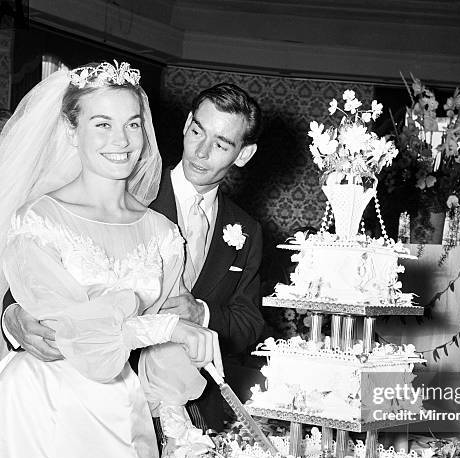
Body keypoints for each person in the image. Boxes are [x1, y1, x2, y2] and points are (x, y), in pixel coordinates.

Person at [0, 61, 219, 458]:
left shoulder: (164, 233)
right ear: (72, 130)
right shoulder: (39, 219)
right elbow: (82, 330)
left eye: (132, 123)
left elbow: (168, 334)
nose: (122, 140)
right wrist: (168, 328)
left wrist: (178, 425)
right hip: (45, 404)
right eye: (102, 123)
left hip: (122, 407)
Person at [3, 82, 266, 433]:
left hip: (165, 401)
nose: (201, 152)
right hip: (55, 401)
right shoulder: (120, 185)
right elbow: (34, 284)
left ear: (243, 154)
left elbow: (249, 322)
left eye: (220, 144)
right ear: (187, 123)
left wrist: (198, 313)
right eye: (198, 132)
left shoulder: (243, 229)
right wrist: (12, 316)